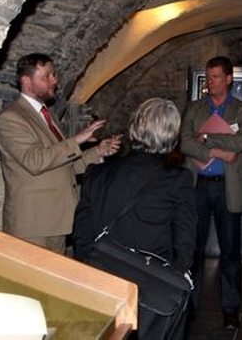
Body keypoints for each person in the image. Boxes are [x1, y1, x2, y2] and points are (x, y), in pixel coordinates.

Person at [73, 97, 196, 339]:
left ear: (135, 128)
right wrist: (173, 280)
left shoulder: (97, 174)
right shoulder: (178, 180)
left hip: (102, 286)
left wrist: (93, 273)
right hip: (151, 294)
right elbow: (185, 243)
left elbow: (81, 236)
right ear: (171, 137)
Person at [0, 53, 121, 254]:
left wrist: (98, 151)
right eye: (47, 76)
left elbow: (64, 164)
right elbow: (34, 161)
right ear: (26, 81)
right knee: (32, 283)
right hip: (33, 224)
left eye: (54, 75)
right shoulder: (11, 118)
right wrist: (77, 140)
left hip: (55, 220)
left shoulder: (49, 115)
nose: (54, 80)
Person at [179, 56, 242, 330]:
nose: (210, 82)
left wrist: (208, 138)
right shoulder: (194, 108)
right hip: (198, 186)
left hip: (228, 187)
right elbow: (185, 142)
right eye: (208, 77)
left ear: (229, 79)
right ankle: (189, 306)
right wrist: (217, 152)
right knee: (193, 250)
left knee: (231, 253)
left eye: (215, 77)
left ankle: (231, 310)